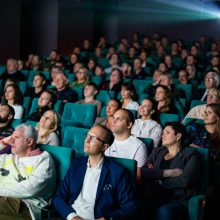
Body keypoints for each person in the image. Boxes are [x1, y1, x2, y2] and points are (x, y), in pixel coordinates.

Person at [53, 125, 137, 220]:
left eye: (93, 138)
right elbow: (59, 197)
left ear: (104, 147)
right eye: (87, 135)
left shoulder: (118, 172)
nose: (87, 140)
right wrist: (72, 216)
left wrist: (108, 218)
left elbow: (130, 207)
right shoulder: (76, 164)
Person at [140, 122, 200, 220]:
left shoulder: (191, 154)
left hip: (177, 200)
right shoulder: (157, 151)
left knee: (164, 211)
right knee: (136, 205)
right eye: (163, 133)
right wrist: (167, 173)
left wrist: (157, 179)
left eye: (167, 132)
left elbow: (184, 181)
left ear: (178, 136)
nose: (163, 135)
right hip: (154, 195)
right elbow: (143, 172)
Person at [0, 124, 56, 219]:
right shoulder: (8, 157)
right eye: (11, 138)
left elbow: (30, 189)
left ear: (29, 141)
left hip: (25, 204)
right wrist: (3, 143)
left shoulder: (43, 159)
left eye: (16, 138)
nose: (11, 141)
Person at [105, 108, 147, 184]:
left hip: (122, 185)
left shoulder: (139, 146)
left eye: (119, 119)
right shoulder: (105, 138)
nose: (113, 121)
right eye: (113, 118)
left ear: (129, 125)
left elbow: (138, 177)